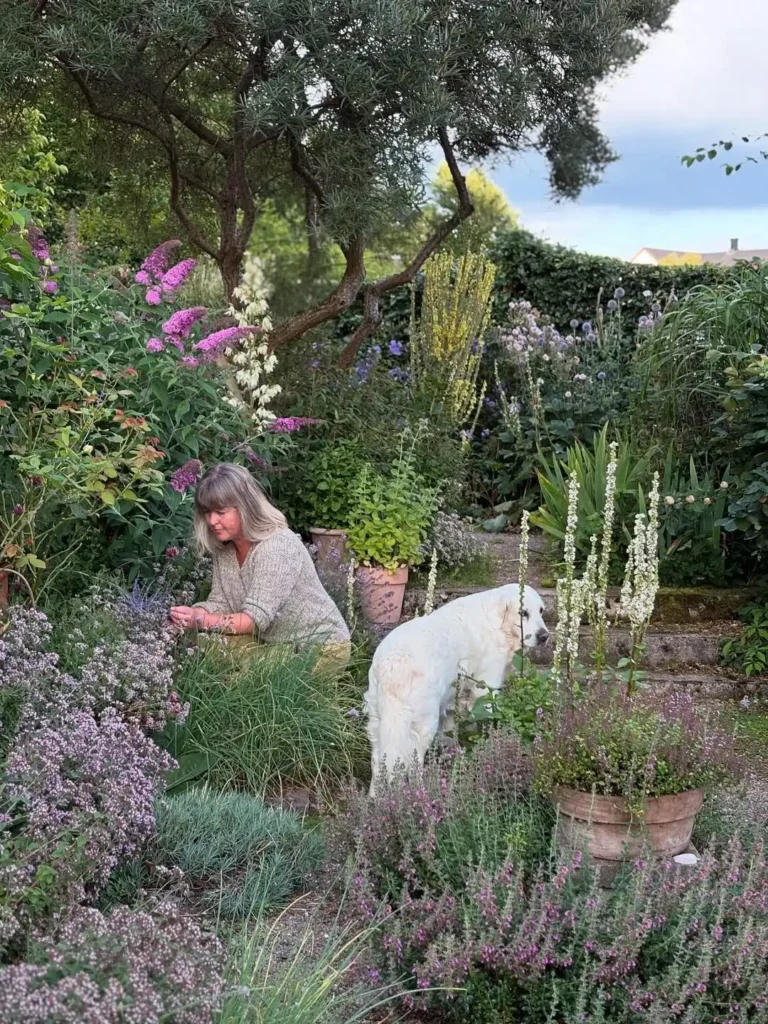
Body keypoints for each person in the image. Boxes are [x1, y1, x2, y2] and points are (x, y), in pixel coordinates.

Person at [169, 463, 351, 666]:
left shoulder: (277, 545)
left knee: (250, 687)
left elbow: (253, 620)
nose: (211, 521)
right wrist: (194, 614)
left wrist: (201, 621)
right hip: (273, 643)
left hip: (319, 647)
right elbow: (222, 603)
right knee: (200, 642)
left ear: (245, 507)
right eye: (206, 512)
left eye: (220, 512)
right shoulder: (225, 548)